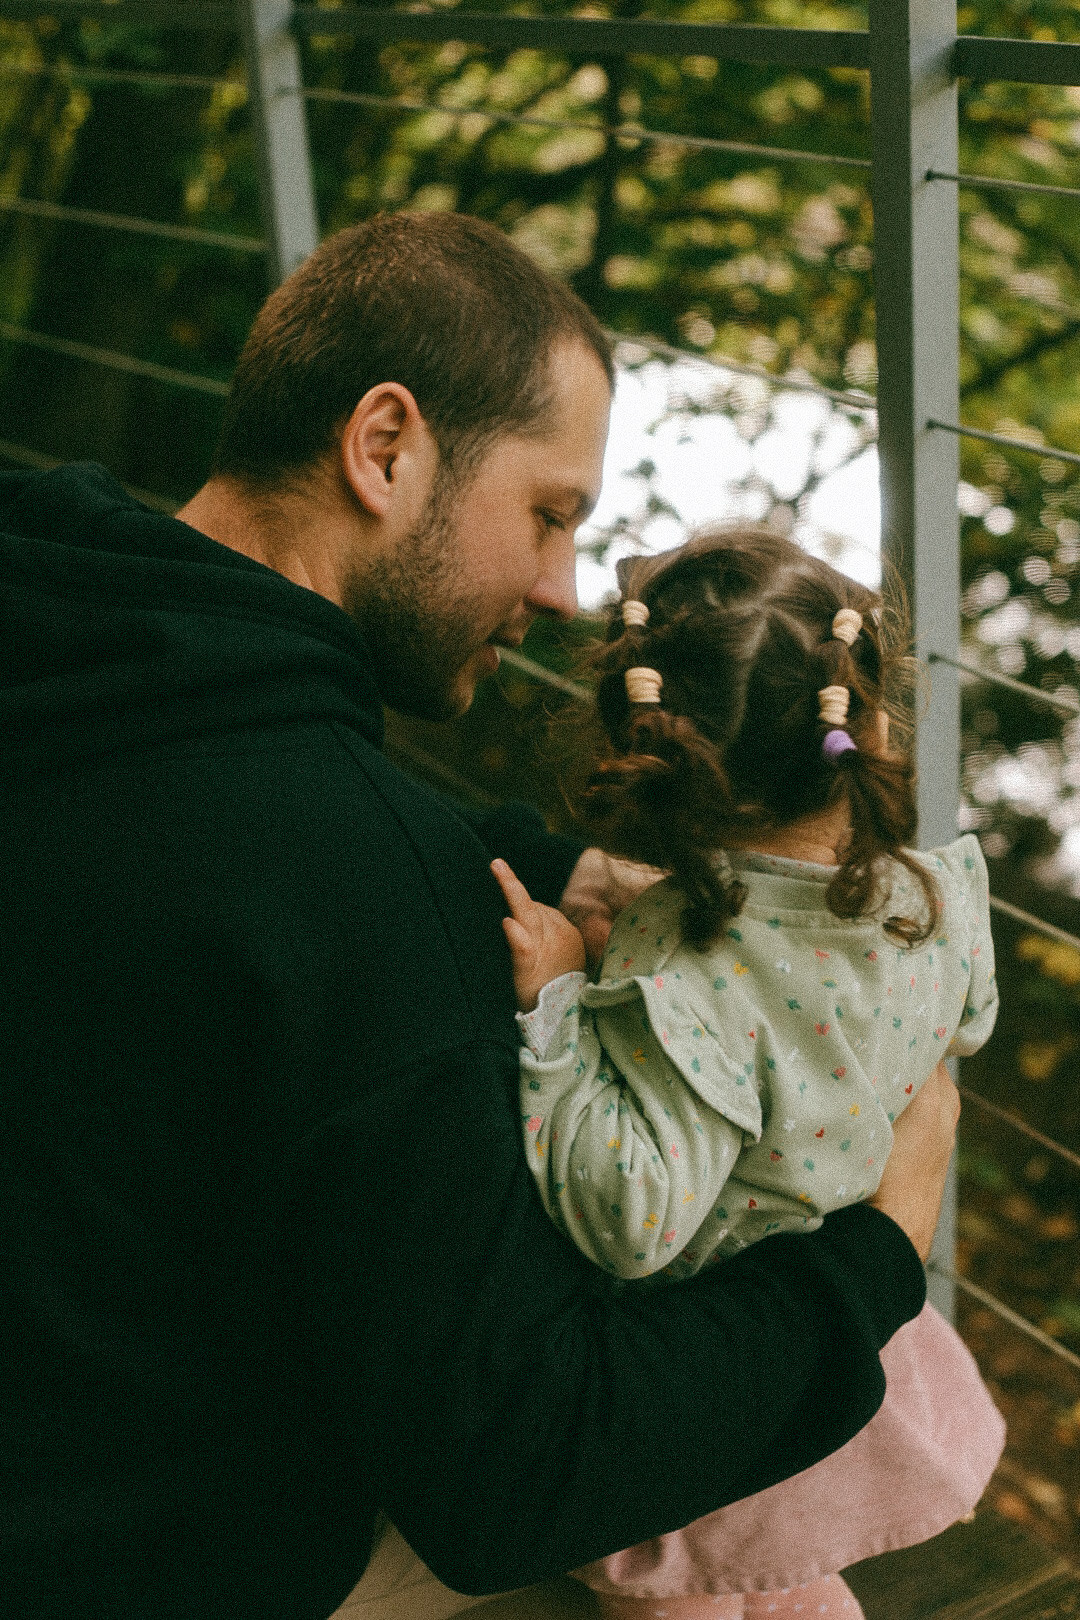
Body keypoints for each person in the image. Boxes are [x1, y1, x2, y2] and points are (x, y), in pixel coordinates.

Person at [3, 212, 957, 1620]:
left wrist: (528, 860)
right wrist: (877, 1250)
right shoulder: (358, 902)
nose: (565, 592)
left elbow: (230, 820)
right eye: (550, 512)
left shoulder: (62, 634)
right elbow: (521, 1469)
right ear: (385, 447)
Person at [491, 529, 1004, 1620]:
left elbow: (630, 1214)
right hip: (844, 1345)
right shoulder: (938, 894)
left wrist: (558, 1008)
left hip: (711, 1387)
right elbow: (972, 1019)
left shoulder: (680, 973)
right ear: (861, 718)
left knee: (698, 1599)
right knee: (793, 1585)